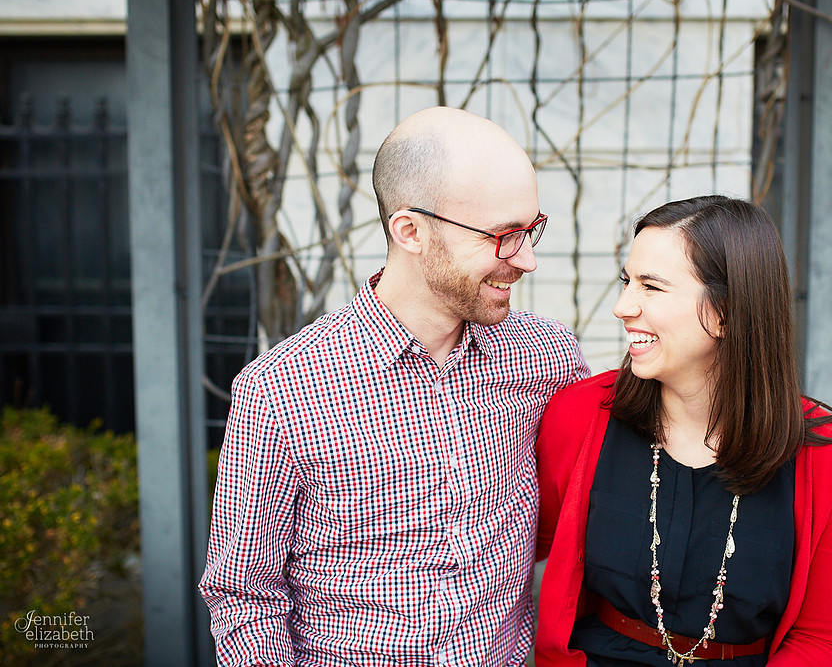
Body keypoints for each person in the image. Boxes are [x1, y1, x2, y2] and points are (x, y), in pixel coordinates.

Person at [198, 106, 590, 666]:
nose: (526, 260)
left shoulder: (545, 357)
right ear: (410, 230)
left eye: (531, 231)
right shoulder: (284, 388)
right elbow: (245, 598)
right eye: (503, 236)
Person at [534, 195, 832, 666]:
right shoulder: (583, 413)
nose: (622, 306)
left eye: (652, 287)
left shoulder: (826, 455)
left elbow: (822, 637)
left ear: (727, 311)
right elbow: (511, 545)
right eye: (628, 281)